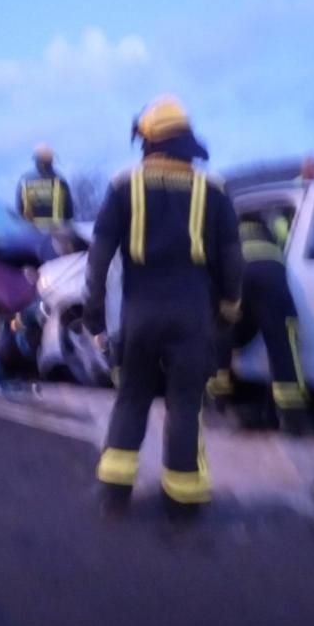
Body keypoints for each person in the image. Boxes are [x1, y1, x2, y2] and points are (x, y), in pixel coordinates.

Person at [83, 95, 243, 521]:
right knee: (186, 406)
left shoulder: (124, 186)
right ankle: (182, 504)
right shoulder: (214, 190)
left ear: (150, 140)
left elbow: (98, 259)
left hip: (140, 314)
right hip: (193, 315)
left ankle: (114, 493)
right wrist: (228, 308)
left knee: (132, 399)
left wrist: (93, 314)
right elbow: (232, 259)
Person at [209, 210, 309, 434]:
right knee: (283, 344)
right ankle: (292, 418)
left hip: (239, 275)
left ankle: (218, 402)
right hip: (272, 278)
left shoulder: (230, 233)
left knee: (221, 330)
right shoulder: (271, 235)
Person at [16, 144, 74, 226]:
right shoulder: (60, 180)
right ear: (52, 160)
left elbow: (19, 210)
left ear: (36, 160)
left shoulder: (24, 180)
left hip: (31, 230)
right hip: (57, 231)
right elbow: (69, 212)